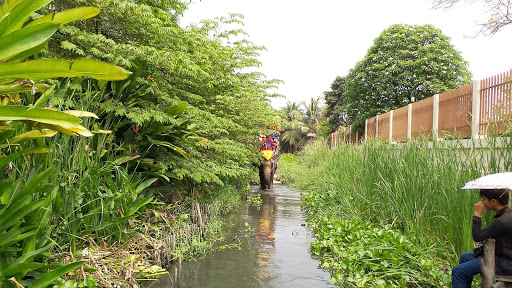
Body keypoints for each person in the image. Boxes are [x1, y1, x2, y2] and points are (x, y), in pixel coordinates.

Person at [452, 188, 512, 288]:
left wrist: (477, 214)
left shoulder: (502, 221)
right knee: (464, 257)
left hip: (504, 264)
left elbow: (477, 236)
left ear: (493, 201)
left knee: (458, 272)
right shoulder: (507, 214)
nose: (482, 202)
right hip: (504, 258)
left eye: (484, 199)